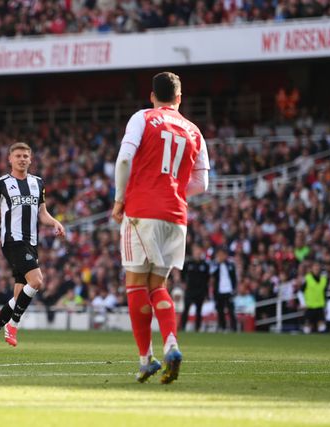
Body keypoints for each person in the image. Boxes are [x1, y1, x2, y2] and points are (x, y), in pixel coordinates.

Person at [112, 71, 210, 384]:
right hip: (176, 216)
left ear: (152, 96)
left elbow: (124, 160)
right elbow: (202, 183)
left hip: (141, 210)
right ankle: (171, 344)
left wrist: (119, 199)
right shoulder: (194, 131)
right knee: (158, 286)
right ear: (179, 98)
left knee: (135, 284)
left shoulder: (142, 117)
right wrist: (174, 190)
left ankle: (146, 360)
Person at [0, 142, 65, 350]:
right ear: (10, 159)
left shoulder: (38, 183)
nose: (22, 159)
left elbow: (42, 213)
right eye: (18, 156)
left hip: (31, 242)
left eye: (25, 156)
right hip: (12, 240)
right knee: (36, 281)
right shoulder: (1, 184)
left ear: (30, 159)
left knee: (19, 296)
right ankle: (13, 325)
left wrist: (55, 222)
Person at [179, 244, 211, 332]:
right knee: (186, 309)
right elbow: (182, 274)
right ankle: (182, 327)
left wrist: (206, 292)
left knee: (199, 310)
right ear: (193, 252)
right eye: (196, 251)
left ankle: (197, 328)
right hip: (190, 290)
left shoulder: (205, 265)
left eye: (199, 251)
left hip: (200, 291)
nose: (197, 252)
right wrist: (183, 283)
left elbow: (207, 279)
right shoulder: (188, 263)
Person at [210, 247, 238, 332]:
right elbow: (211, 273)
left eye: (222, 255)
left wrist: (234, 288)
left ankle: (234, 328)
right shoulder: (214, 265)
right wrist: (217, 264)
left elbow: (234, 278)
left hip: (229, 290)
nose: (221, 256)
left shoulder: (230, 265)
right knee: (220, 310)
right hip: (219, 291)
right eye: (219, 255)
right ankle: (223, 327)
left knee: (231, 310)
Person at [298, 261, 328, 334]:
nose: (316, 268)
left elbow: (324, 293)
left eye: (318, 266)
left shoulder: (324, 279)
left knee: (322, 327)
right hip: (309, 306)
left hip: (320, 306)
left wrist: (326, 306)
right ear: (312, 268)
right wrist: (303, 303)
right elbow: (300, 292)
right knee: (307, 327)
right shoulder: (307, 278)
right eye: (315, 266)